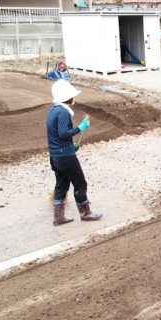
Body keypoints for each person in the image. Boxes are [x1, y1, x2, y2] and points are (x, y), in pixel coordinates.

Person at [47, 80, 102, 226]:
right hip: (65, 156)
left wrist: (71, 145)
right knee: (80, 183)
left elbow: (56, 135)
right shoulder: (64, 111)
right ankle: (86, 213)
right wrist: (80, 128)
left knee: (61, 184)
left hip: (55, 156)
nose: (74, 98)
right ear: (67, 97)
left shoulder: (53, 110)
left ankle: (58, 217)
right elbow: (63, 133)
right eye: (73, 95)